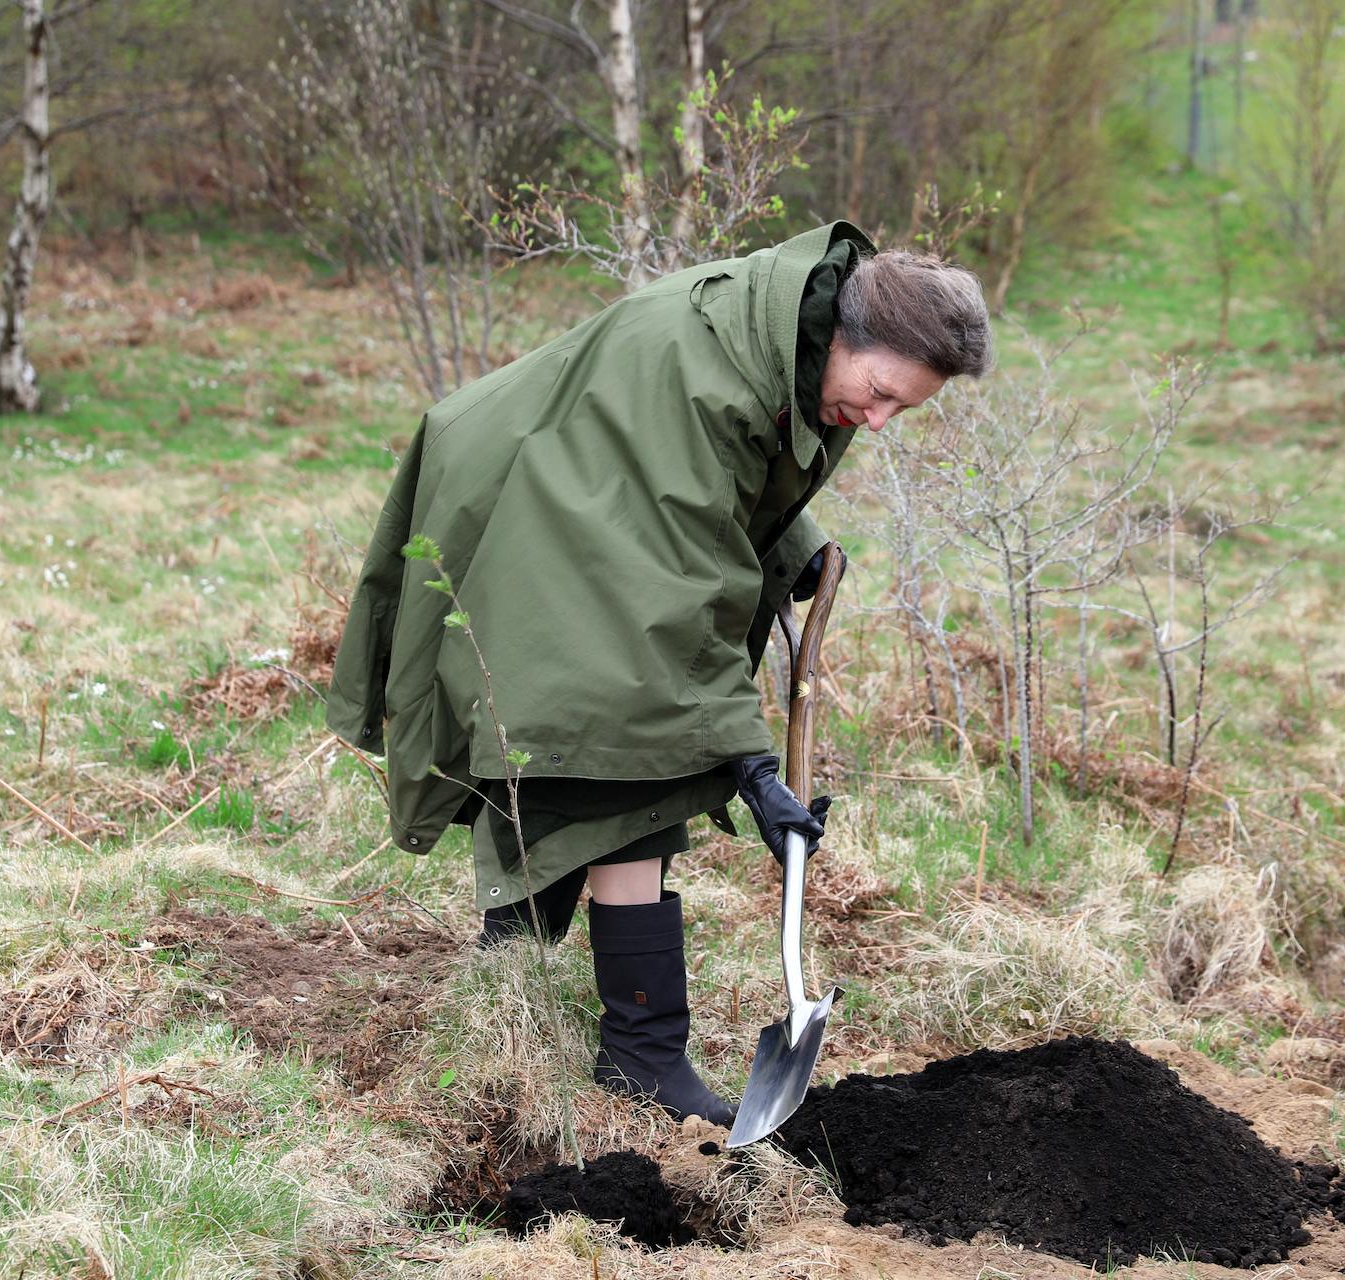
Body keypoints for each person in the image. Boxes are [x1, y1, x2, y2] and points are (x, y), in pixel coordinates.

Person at [324, 221, 990, 1125]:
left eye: (900, 411)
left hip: (578, 489)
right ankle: (641, 1055)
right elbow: (674, 587)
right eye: (878, 394)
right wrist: (751, 765)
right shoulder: (719, 366)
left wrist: (789, 542)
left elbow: (708, 481)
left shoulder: (782, 342)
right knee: (615, 733)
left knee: (577, 744)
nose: (878, 421)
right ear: (842, 332)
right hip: (525, 501)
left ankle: (506, 994)